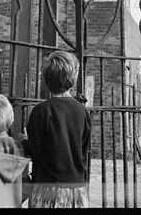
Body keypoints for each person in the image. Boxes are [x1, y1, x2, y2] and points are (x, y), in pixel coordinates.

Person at [19, 50, 92, 208]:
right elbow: (84, 149)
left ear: (46, 80)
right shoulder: (83, 111)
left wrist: (23, 141)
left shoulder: (41, 111)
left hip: (47, 187)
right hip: (77, 188)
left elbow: (35, 151)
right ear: (73, 77)